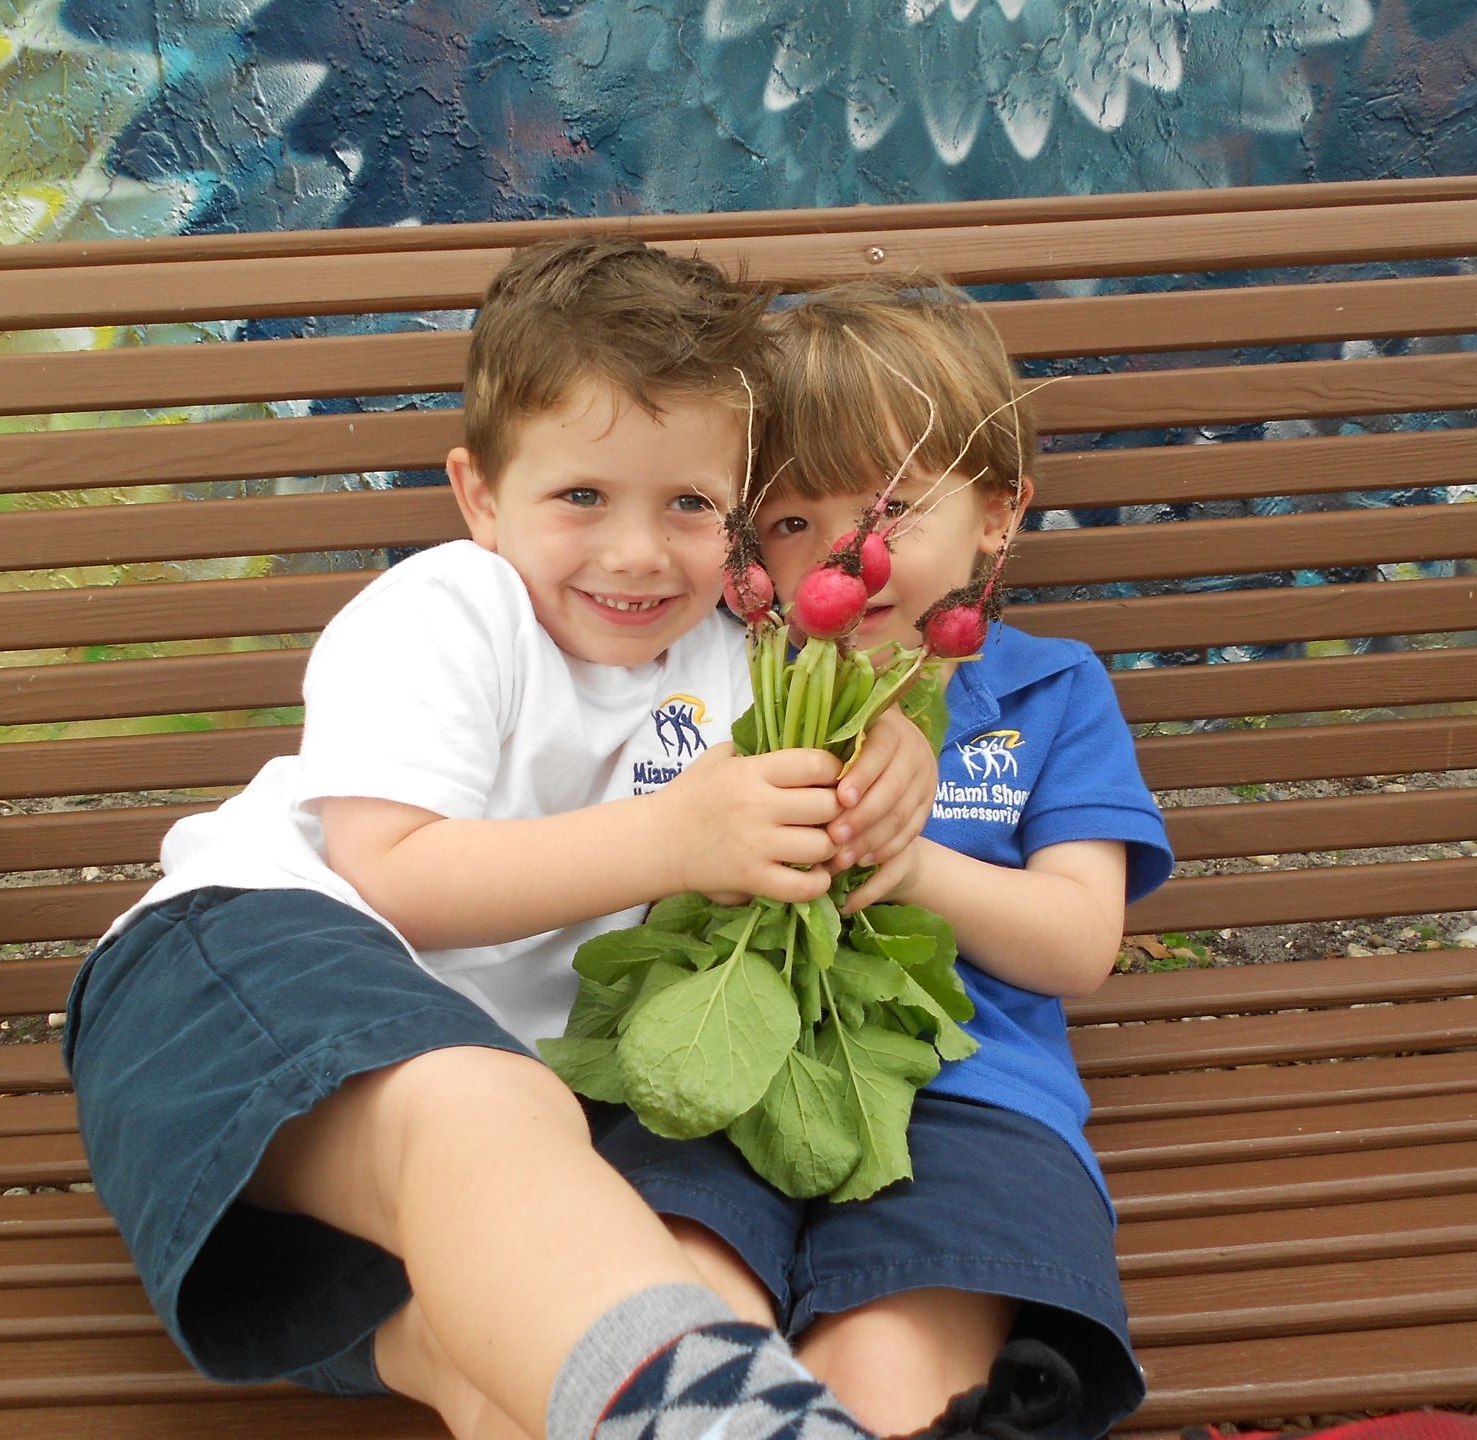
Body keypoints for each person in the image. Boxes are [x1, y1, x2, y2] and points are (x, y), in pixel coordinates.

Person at [63, 238, 944, 1440]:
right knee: (485, 1110)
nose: (637, 552)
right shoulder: (451, 612)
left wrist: (886, 769)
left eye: (690, 504)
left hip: (388, 1227)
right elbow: (395, 877)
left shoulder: (740, 670)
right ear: (480, 495)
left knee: (514, 1357)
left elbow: (797, 821)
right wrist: (676, 838)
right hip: (236, 979)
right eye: (583, 496)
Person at [580, 278, 1176, 1440]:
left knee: (888, 1365)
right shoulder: (717, 678)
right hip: (720, 1067)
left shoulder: (1051, 694)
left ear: (999, 513)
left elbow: (1078, 945)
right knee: (692, 1322)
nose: (844, 552)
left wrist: (909, 867)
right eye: (794, 523)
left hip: (971, 1094)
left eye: (891, 507)